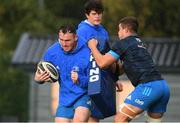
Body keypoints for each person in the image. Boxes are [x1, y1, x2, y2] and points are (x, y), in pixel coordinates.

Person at [88, 16, 170, 122]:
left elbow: (102, 63)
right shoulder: (139, 43)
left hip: (148, 86)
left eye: (119, 29)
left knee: (120, 118)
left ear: (125, 30)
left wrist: (92, 47)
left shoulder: (123, 43)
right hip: (163, 87)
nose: (118, 33)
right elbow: (123, 68)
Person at [34, 24, 92, 122]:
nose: (64, 44)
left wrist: (80, 79)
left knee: (79, 120)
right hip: (65, 98)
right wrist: (38, 79)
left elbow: (94, 79)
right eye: (61, 40)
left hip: (84, 94)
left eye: (67, 40)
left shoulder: (88, 51)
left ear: (75, 38)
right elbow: (41, 70)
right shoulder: (52, 52)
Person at [77, 0, 121, 121]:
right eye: (94, 13)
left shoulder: (103, 31)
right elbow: (77, 56)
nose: (97, 16)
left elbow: (107, 56)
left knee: (95, 116)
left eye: (100, 13)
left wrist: (114, 79)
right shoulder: (82, 31)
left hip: (101, 76)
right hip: (87, 77)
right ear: (87, 15)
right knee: (86, 114)